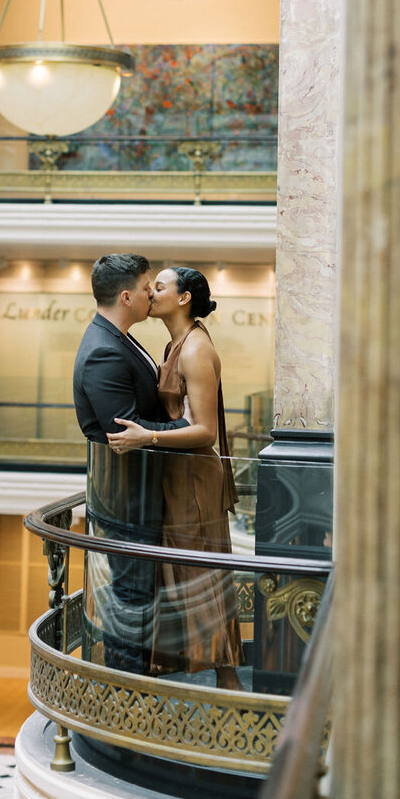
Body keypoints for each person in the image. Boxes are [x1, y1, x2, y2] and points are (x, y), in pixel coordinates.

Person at [107, 266, 244, 690]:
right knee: (180, 575)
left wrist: (146, 436)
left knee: (200, 576)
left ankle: (228, 683)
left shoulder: (195, 348)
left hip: (195, 480)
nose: (151, 292)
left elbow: (205, 430)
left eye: (159, 287)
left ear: (183, 299)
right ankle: (194, 677)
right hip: (177, 474)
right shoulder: (175, 343)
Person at [73, 253, 189, 672]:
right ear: (126, 297)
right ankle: (127, 707)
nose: (151, 294)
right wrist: (189, 428)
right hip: (126, 500)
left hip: (139, 494)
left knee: (141, 600)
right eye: (145, 288)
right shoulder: (104, 351)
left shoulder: (119, 337)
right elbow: (126, 431)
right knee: (130, 605)